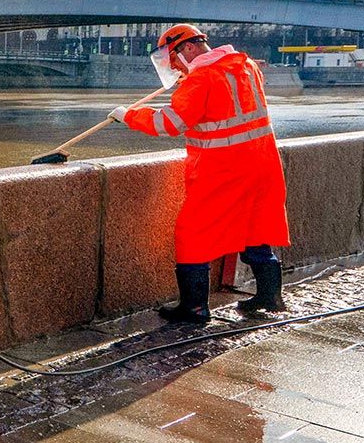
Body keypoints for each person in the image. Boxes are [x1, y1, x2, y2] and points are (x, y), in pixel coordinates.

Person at [112, 23, 291, 322]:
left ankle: (194, 308)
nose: (173, 66)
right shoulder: (245, 67)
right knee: (254, 228)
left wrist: (128, 115)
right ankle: (270, 297)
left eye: (173, 58)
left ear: (190, 48)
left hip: (223, 169)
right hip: (262, 165)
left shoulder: (202, 78)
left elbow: (168, 123)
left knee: (191, 233)